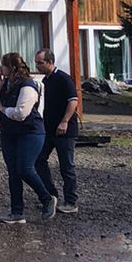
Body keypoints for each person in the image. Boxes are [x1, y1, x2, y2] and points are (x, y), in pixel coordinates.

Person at [0, 52, 52, 224]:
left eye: (3, 65)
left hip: (30, 132)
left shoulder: (28, 86)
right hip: (10, 133)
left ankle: (47, 198)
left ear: (10, 67)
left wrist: (1, 108)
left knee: (25, 168)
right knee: (13, 172)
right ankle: (17, 212)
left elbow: (20, 113)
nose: (0, 68)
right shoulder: (7, 84)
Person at [33, 48, 80, 214]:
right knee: (39, 159)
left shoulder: (63, 78)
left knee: (66, 165)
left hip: (64, 129)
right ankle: (51, 195)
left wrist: (65, 121)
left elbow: (73, 101)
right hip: (48, 129)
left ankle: (71, 201)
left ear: (50, 62)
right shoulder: (45, 81)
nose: (37, 66)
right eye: (36, 62)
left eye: (40, 62)